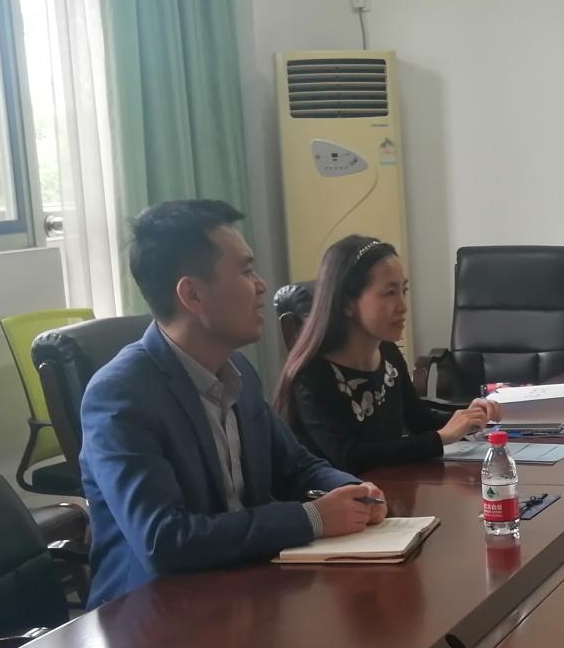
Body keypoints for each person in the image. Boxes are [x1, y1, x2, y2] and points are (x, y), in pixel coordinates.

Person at [78, 200, 385, 608]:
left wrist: (350, 489)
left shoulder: (237, 369)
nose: (262, 285)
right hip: (151, 616)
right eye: (245, 271)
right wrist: (312, 518)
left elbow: (295, 466)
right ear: (192, 294)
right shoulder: (120, 395)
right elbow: (163, 540)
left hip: (243, 589)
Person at [275, 235, 501, 471]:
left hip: (388, 485)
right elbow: (349, 456)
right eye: (390, 293)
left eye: (404, 290)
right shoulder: (311, 372)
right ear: (347, 304)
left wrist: (468, 417)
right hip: (336, 492)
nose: (403, 306)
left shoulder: (387, 351)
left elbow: (417, 419)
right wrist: (442, 437)